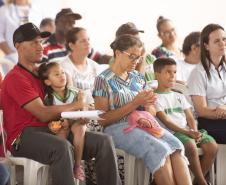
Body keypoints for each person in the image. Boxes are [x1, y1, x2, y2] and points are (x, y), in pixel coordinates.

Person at [1, 22, 122, 185]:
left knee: (103, 142)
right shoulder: (16, 77)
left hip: (53, 128)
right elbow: (42, 113)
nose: (40, 46)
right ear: (19, 46)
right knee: (61, 146)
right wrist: (77, 105)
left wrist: (80, 114)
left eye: (41, 42)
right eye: (33, 43)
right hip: (23, 137)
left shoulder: (43, 73)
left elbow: (64, 99)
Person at [93, 34, 192, 185]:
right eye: (132, 56)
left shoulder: (137, 78)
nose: (136, 61)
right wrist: (134, 103)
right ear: (118, 53)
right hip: (117, 128)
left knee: (176, 145)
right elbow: (103, 120)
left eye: (138, 57)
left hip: (145, 124)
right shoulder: (103, 80)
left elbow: (151, 111)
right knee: (160, 149)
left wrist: (148, 106)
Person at [154, 57, 218, 185]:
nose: (172, 76)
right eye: (168, 72)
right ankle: (202, 181)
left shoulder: (179, 95)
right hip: (171, 133)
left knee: (212, 146)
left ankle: (196, 181)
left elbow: (189, 117)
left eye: (174, 72)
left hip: (187, 131)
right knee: (190, 146)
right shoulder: (154, 97)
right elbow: (166, 121)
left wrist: (193, 130)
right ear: (157, 74)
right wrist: (188, 133)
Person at [38, 62, 87, 181]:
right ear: (48, 82)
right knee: (61, 136)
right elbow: (49, 118)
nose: (62, 76)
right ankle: (60, 170)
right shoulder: (48, 98)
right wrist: (58, 123)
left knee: (80, 128)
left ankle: (77, 165)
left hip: (76, 122)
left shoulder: (75, 93)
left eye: (63, 73)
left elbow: (83, 107)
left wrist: (84, 113)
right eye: (57, 74)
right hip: (62, 125)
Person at [187, 23, 226, 144]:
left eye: (224, 39)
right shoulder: (198, 73)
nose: (222, 43)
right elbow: (202, 110)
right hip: (207, 122)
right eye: (216, 41)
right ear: (206, 46)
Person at [61, 27, 107, 105]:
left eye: (88, 39)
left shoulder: (94, 66)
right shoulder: (63, 67)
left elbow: (104, 93)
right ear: (71, 45)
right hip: (77, 112)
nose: (88, 43)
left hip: (96, 109)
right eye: (83, 41)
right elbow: (71, 97)